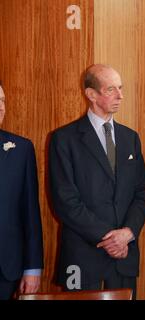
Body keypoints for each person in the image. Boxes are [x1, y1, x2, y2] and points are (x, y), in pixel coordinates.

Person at [49, 65, 145, 299]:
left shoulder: (130, 138)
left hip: (124, 255)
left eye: (121, 88)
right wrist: (108, 237)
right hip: (82, 257)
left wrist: (127, 233)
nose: (120, 96)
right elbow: (65, 200)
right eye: (111, 89)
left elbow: (142, 193)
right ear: (91, 95)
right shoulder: (64, 139)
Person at [0, 82, 44, 300]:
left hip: (6, 270)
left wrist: (32, 267)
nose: (1, 107)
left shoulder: (21, 149)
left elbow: (30, 212)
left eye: (2, 101)